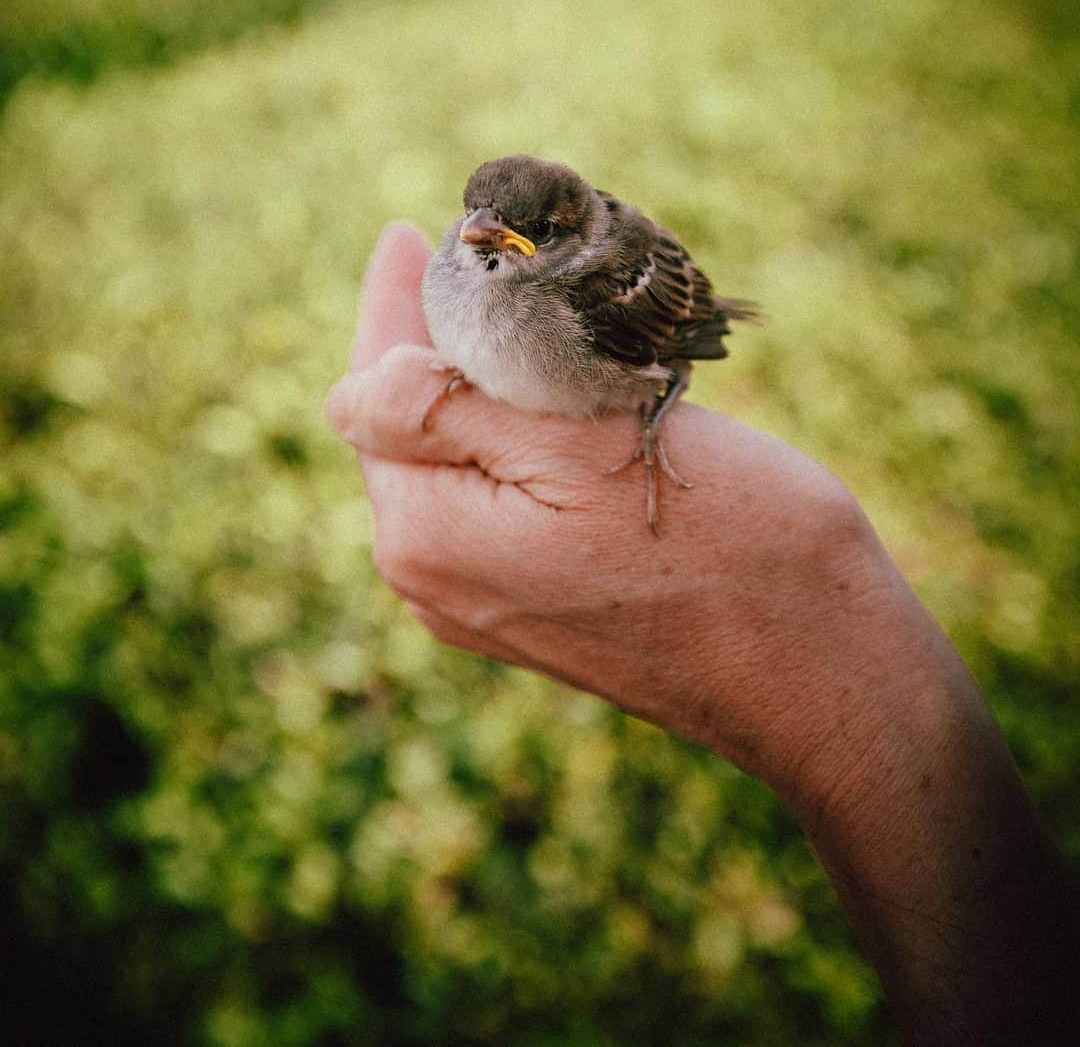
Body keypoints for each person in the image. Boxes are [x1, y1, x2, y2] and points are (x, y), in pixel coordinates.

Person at [325, 223, 1078, 1045]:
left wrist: (652, 439)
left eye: (516, 236)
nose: (479, 239)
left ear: (557, 239)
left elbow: (675, 347)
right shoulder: (462, 261)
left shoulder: (595, 291)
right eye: (474, 222)